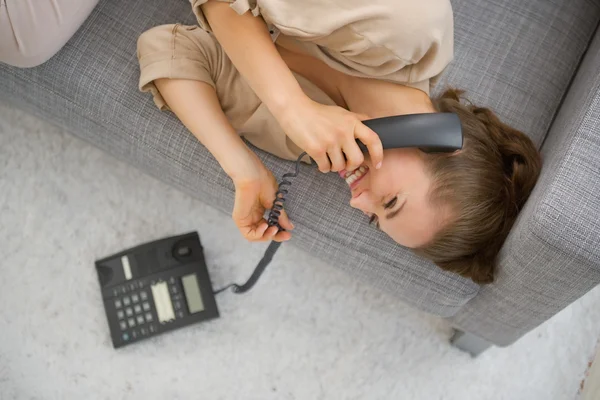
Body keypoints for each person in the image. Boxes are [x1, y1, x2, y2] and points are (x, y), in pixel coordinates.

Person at [136, 0, 542, 284]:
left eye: (372, 217)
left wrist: (243, 169)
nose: (356, 200)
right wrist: (291, 106)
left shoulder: (315, 143)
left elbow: (168, 49)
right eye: (389, 202)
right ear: (435, 138)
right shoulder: (407, 25)